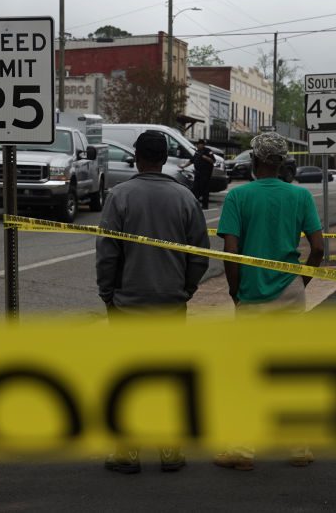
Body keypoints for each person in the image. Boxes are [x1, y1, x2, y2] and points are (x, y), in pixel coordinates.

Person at [96, 131, 210, 474]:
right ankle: (170, 450)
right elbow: (200, 255)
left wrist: (107, 295)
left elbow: (107, 254)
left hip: (128, 302)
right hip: (170, 302)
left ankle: (128, 452)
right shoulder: (185, 198)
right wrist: (185, 290)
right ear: (164, 157)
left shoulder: (119, 196)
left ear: (136, 156)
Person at [214, 131, 325, 471]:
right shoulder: (300, 196)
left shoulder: (239, 197)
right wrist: (299, 281)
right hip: (290, 293)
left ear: (255, 161)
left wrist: (236, 292)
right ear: (281, 163)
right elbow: (318, 248)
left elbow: (231, 252)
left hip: (251, 294)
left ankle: (243, 450)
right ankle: (299, 446)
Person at [182, 138, 216, 209]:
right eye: (197, 144)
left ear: (202, 144)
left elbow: (213, 161)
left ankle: (205, 205)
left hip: (205, 174)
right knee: (195, 188)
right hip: (198, 173)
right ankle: (194, 204)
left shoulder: (208, 151)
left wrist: (205, 157)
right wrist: (183, 166)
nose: (197, 146)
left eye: (199, 144)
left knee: (205, 189)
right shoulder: (197, 151)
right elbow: (192, 160)